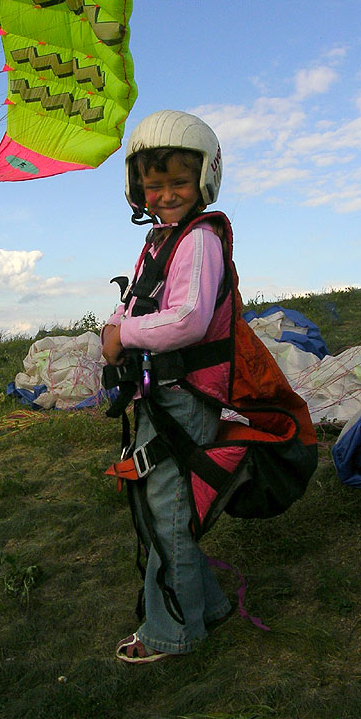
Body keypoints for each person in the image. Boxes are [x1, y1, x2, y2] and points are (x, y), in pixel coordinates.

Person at [101, 110, 233, 663]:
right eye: (153, 185)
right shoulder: (161, 241)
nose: (166, 194)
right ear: (137, 189)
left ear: (202, 180)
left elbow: (189, 320)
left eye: (178, 182)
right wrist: (115, 331)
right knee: (162, 508)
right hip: (161, 395)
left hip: (186, 399)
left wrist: (124, 333)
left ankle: (171, 632)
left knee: (167, 512)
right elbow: (140, 301)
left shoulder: (198, 240)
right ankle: (211, 604)